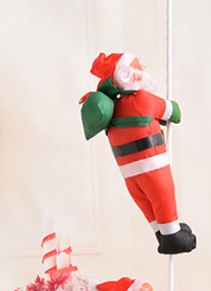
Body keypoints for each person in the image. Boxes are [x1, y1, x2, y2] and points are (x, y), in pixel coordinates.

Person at [80, 52, 197, 255]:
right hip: (153, 166)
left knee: (147, 203)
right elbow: (175, 113)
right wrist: (166, 105)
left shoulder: (113, 109)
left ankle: (163, 233)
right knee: (163, 198)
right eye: (139, 66)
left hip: (129, 174)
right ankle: (173, 237)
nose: (143, 70)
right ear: (127, 74)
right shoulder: (142, 99)